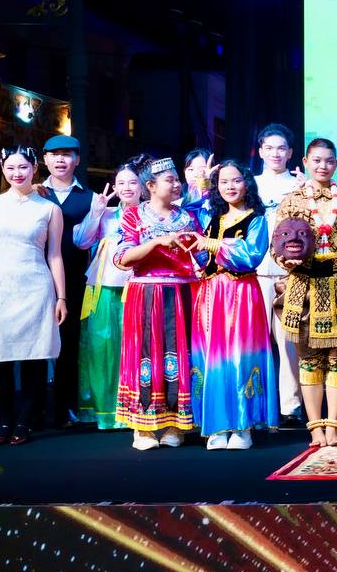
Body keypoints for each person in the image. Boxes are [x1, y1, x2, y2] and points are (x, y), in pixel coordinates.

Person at [275, 138, 337, 447]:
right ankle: (315, 427)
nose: (323, 166)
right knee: (309, 358)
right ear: (305, 162)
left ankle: (334, 425)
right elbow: (278, 244)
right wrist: (285, 261)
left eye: (329, 161)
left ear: (336, 164)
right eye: (316, 160)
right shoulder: (292, 201)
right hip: (303, 285)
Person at [0, 146, 66, 446]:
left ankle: (24, 421)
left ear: (34, 168)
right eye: (10, 167)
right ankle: (4, 420)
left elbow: (55, 255)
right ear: (2, 168)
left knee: (34, 358)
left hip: (37, 287)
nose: (17, 173)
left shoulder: (49, 209)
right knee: (0, 358)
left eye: (23, 167)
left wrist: (61, 297)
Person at [186, 160, 277, 450]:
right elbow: (191, 223)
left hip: (241, 294)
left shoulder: (257, 219)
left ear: (247, 183)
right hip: (210, 294)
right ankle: (215, 425)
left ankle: (242, 425)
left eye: (236, 180)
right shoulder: (213, 217)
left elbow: (251, 255)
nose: (230, 186)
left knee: (239, 355)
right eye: (223, 182)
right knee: (210, 357)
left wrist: (212, 245)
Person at [113, 158, 202, 450]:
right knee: (145, 354)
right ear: (150, 186)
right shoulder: (132, 216)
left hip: (183, 292)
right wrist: (155, 243)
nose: (176, 184)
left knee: (181, 353)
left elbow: (202, 257)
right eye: (169, 180)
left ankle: (176, 423)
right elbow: (122, 258)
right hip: (146, 293)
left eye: (177, 179)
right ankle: (144, 427)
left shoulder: (189, 217)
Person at [73, 155, 148, 429]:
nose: (127, 187)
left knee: (136, 347)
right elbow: (81, 241)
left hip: (138, 286)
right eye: (121, 183)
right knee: (102, 347)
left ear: (144, 186)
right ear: (114, 186)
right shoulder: (106, 214)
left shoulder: (151, 214)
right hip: (104, 288)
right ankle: (105, 410)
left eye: (133, 182)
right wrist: (96, 212)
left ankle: (137, 408)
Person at [252, 124, 306, 425]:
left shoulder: (299, 185)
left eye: (281, 148)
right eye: (269, 147)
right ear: (260, 151)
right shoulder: (250, 184)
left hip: (290, 272)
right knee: (257, 341)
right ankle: (259, 404)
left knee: (289, 341)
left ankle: (290, 405)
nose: (275, 153)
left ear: (290, 152)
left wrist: (306, 192)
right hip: (255, 272)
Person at [39, 134, 94, 428]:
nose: (60, 159)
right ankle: (33, 409)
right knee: (34, 344)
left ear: (77, 160)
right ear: (45, 159)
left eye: (67, 154)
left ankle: (65, 407)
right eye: (54, 154)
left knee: (68, 345)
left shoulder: (90, 197)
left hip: (74, 279)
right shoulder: (34, 193)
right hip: (35, 276)